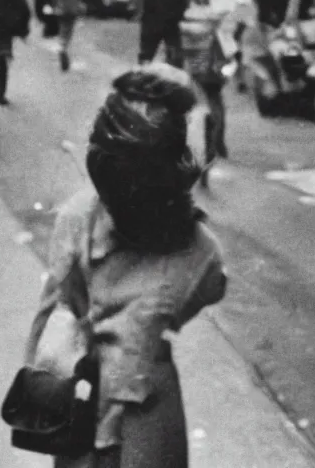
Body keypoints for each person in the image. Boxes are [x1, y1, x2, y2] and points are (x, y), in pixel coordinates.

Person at [24, 64, 227, 468]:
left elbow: (59, 296)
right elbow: (208, 288)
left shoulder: (77, 217)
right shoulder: (198, 247)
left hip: (83, 391)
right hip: (146, 395)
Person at [181, 8, 237, 188]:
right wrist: (227, 74)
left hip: (191, 77)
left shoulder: (184, 33)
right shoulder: (218, 34)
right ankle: (219, 145)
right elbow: (231, 55)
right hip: (213, 78)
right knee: (216, 108)